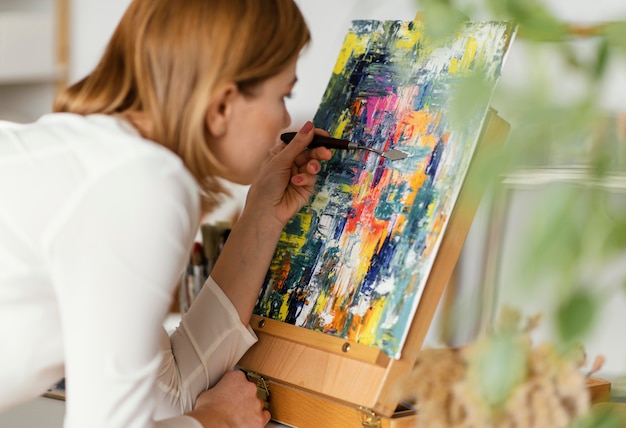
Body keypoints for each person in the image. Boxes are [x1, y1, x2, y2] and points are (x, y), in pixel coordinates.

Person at [0, 0, 332, 427]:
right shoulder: (141, 183)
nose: (286, 119)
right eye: (282, 94)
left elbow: (166, 394)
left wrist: (262, 216)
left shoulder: (103, 159)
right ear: (222, 106)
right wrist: (217, 421)